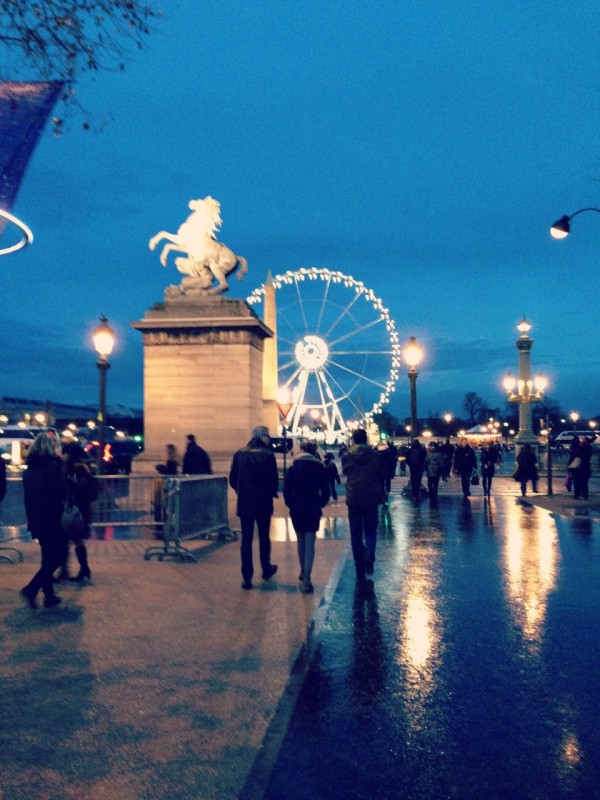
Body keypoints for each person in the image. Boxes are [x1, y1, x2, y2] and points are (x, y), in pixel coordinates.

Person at [20, 432, 67, 609]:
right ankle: (31, 588)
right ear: (50, 447)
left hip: (36, 517)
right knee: (60, 554)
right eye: (56, 445)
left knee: (47, 555)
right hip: (52, 518)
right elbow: (58, 493)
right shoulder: (52, 466)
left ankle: (48, 595)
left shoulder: (30, 468)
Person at [229, 425, 279, 590]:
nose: (269, 438)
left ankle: (247, 577)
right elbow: (273, 481)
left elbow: (232, 478)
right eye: (267, 436)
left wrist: (241, 491)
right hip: (263, 503)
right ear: (262, 437)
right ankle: (266, 568)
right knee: (264, 537)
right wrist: (271, 493)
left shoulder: (240, 453)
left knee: (247, 540)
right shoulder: (268, 455)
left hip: (245, 503)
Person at [284, 441, 330, 593]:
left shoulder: (293, 468)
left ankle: (303, 571)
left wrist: (292, 504)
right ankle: (307, 578)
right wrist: (320, 503)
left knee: (301, 541)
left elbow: (286, 491)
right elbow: (326, 491)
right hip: (313, 508)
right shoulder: (319, 468)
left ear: (301, 450)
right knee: (310, 542)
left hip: (297, 508)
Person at [342, 428, 385, 588]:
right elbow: (380, 473)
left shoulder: (347, 455)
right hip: (371, 495)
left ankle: (359, 567)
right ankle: (369, 555)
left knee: (355, 533)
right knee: (371, 530)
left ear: (353, 439)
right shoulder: (374, 455)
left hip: (354, 496)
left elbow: (346, 472)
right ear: (366, 439)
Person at [62, 441, 98, 582]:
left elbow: (78, 488)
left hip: (77, 509)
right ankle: (81, 569)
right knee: (74, 540)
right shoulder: (80, 467)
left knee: (75, 539)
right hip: (78, 508)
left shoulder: (78, 469)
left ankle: (82, 569)